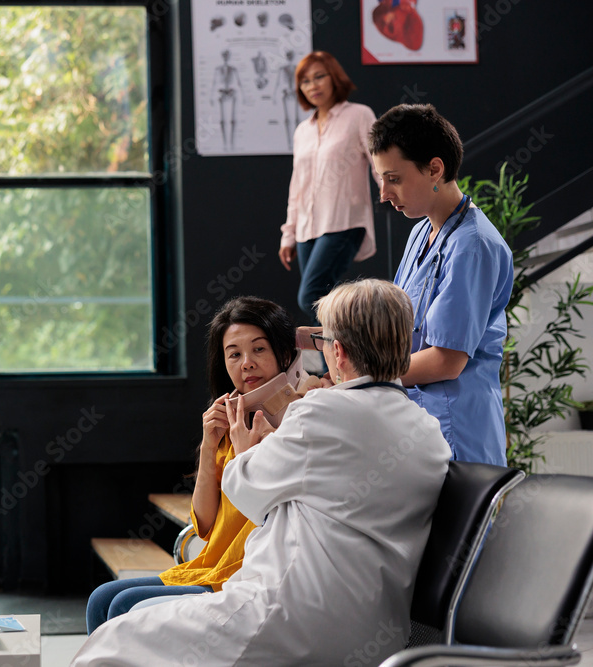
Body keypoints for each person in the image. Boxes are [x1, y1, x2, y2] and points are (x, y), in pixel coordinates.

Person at [72, 279, 451, 666]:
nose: (246, 363)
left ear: (337, 351)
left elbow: (247, 492)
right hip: (378, 628)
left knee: (114, 640)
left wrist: (245, 450)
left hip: (291, 614)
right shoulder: (428, 431)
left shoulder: (319, 412)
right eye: (233, 354)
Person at [85, 296, 298, 634]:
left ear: (285, 354)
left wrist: (252, 452)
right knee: (101, 598)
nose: (247, 363)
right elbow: (204, 523)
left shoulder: (297, 422)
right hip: (209, 564)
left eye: (259, 349)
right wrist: (210, 443)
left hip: (243, 575)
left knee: (123, 605)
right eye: (234, 354)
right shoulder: (230, 419)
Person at [369, 104, 513, 465]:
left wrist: (362, 374)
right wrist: (334, 337)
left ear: (435, 168)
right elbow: (398, 323)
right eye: (380, 180)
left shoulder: (473, 245)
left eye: (394, 179)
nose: (384, 193)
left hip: (458, 430)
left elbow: (447, 361)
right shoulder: (421, 232)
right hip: (418, 423)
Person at [279, 51, 379, 328]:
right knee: (323, 299)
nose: (313, 85)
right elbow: (297, 186)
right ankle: (333, 370)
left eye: (319, 76)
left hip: (343, 222)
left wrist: (390, 188)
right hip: (307, 229)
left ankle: (352, 352)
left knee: (310, 297)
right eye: (305, 81)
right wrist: (288, 234)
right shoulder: (302, 131)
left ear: (334, 77)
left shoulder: (359, 115)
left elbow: (378, 159)